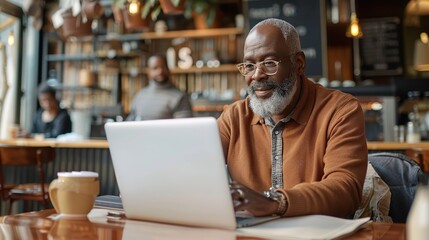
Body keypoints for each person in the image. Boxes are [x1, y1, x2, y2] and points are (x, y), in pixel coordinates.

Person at [218, 18, 368, 218]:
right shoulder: (233, 117)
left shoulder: (340, 110)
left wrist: (275, 203)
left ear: (298, 64)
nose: (257, 75)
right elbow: (191, 168)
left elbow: (346, 190)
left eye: (269, 63)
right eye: (249, 65)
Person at [126, 54, 193, 121]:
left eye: (163, 67)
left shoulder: (180, 97)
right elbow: (130, 122)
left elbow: (184, 127)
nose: (160, 71)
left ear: (168, 69)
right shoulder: (140, 95)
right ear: (149, 71)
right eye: (155, 68)